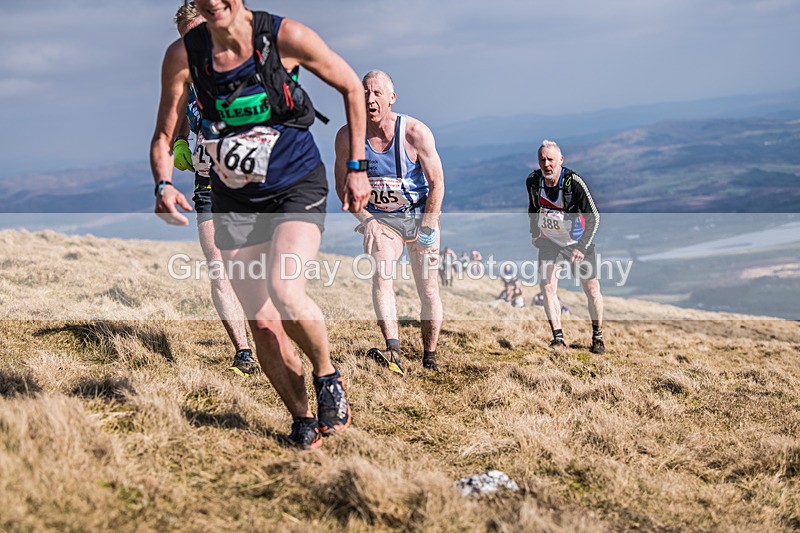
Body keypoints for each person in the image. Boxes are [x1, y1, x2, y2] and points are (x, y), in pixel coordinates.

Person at [150, 0, 371, 449]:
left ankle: (327, 374)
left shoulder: (284, 37)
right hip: (235, 199)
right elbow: (162, 134)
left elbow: (350, 85)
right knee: (263, 323)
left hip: (296, 186)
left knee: (286, 290)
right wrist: (162, 184)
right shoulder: (183, 55)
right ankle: (303, 418)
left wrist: (358, 166)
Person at [334, 70, 444, 375]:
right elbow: (342, 187)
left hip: (420, 215)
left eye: (377, 93)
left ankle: (430, 356)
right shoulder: (347, 137)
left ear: (391, 98)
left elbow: (437, 184)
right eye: (365, 93)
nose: (370, 99)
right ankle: (393, 350)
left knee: (429, 289)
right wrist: (367, 220)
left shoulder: (415, 133)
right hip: (382, 221)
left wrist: (427, 228)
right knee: (382, 276)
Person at [172, 2, 257, 377]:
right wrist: (179, 147)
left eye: (196, 35)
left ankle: (272, 336)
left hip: (249, 184)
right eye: (185, 39)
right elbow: (178, 125)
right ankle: (243, 351)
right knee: (217, 267)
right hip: (208, 184)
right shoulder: (184, 80)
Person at [527, 140, 604, 354]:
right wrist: (535, 233)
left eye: (550, 159)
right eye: (542, 160)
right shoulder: (533, 181)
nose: (546, 164)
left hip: (578, 242)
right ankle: (558, 338)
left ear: (561, 160)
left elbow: (595, 217)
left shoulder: (573, 182)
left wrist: (581, 247)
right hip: (550, 241)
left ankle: (597, 335)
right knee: (547, 286)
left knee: (592, 290)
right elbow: (533, 208)